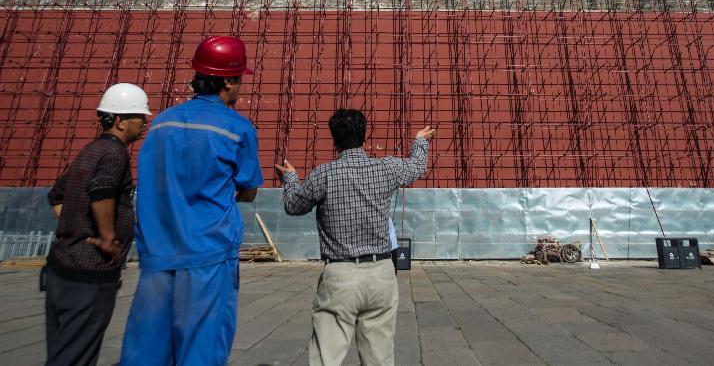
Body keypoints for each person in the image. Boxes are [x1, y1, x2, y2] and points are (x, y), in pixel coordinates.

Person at [120, 36, 263, 366]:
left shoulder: (161, 124)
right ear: (227, 81)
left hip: (156, 256)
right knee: (202, 350)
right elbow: (249, 190)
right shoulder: (237, 128)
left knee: (145, 352)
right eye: (239, 79)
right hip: (208, 256)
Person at [275, 109, 435, 366]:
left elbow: (294, 205)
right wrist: (419, 141)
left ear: (334, 141)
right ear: (364, 137)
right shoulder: (388, 168)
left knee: (326, 358)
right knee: (379, 359)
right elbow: (417, 167)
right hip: (382, 273)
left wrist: (291, 178)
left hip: (340, 275)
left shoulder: (322, 174)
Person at [44, 83, 152, 366]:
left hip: (62, 264)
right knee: (77, 352)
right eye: (140, 118)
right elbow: (102, 191)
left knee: (62, 349)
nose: (144, 124)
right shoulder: (114, 154)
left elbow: (56, 195)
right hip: (88, 274)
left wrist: (73, 228)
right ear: (120, 120)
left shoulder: (90, 150)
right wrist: (106, 238)